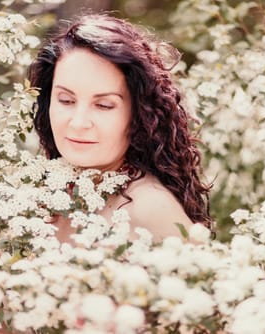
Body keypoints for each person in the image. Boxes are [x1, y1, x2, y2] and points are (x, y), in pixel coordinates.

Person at [28, 13, 211, 242]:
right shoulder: (39, 193)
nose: (78, 122)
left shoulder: (151, 208)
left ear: (138, 114)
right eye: (66, 100)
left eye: (104, 105)